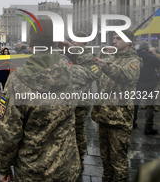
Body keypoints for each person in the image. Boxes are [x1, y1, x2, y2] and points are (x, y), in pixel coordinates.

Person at [0, 18, 101, 182]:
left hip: (32, 171)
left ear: (30, 45)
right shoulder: (74, 74)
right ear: (58, 43)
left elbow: (8, 133)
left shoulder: (16, 81)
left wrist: (3, 167)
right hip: (67, 168)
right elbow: (94, 67)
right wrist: (71, 49)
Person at [91, 30, 142, 182]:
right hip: (104, 115)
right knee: (105, 160)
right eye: (114, 38)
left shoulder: (133, 60)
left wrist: (105, 66)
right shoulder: (110, 57)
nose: (114, 41)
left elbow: (126, 76)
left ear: (129, 43)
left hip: (119, 118)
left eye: (119, 38)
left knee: (118, 161)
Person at [67, 31, 94, 170]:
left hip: (81, 99)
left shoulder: (88, 55)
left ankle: (80, 158)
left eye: (75, 40)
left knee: (78, 129)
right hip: (70, 98)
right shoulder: (73, 53)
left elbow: (82, 58)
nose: (72, 42)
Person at [134, 41, 160, 134]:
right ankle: (148, 127)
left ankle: (133, 123)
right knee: (150, 106)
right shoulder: (152, 57)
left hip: (137, 84)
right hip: (150, 85)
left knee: (135, 104)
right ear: (147, 48)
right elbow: (158, 64)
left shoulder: (135, 56)